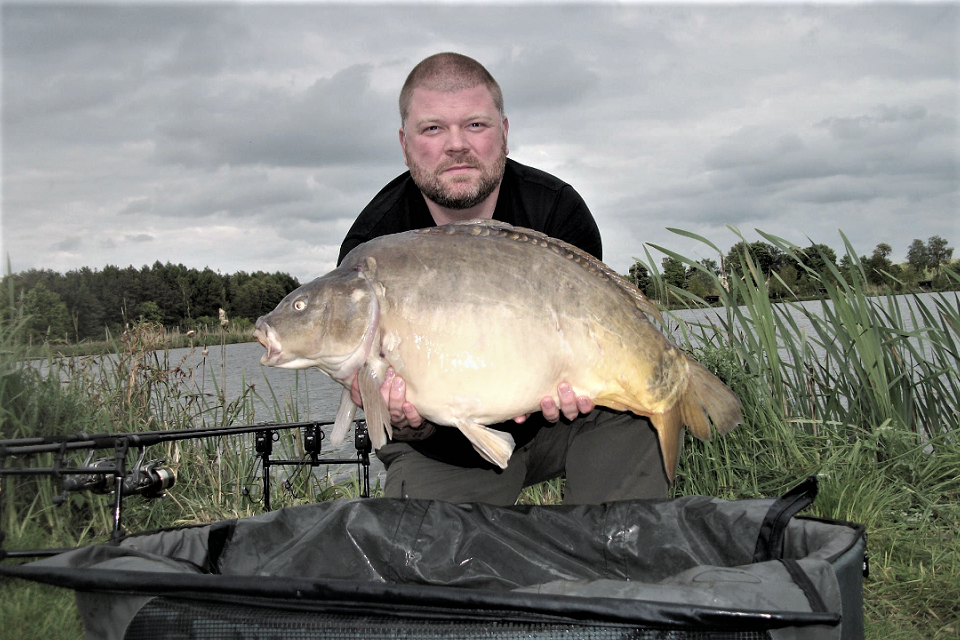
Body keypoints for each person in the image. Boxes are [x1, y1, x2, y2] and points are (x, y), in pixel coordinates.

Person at [338, 52, 668, 506]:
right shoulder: (371, 247)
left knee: (641, 410)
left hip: (562, 424)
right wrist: (408, 418)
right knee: (429, 567)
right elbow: (394, 413)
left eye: (476, 125)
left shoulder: (557, 212)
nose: (457, 145)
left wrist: (585, 385)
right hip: (446, 449)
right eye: (433, 128)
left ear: (505, 133)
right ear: (405, 143)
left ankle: (611, 558)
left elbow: (598, 333)